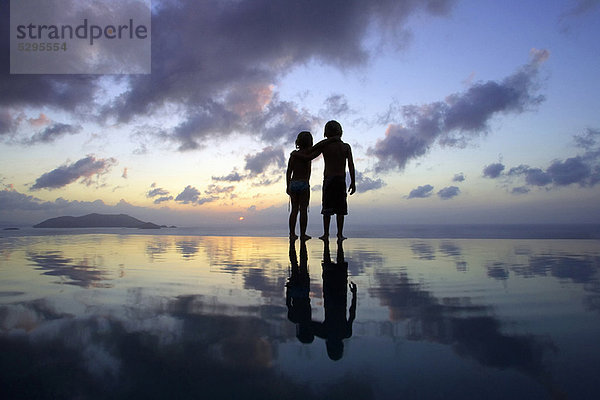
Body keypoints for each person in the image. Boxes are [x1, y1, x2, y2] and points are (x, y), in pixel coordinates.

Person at [286, 131, 339, 241]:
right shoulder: (308, 154)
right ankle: (303, 234)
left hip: (293, 183)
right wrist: (331, 140)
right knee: (303, 210)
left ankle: (292, 234)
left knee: (294, 209)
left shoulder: (294, 155)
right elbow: (316, 149)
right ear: (310, 142)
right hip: (304, 184)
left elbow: (288, 171)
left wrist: (288, 186)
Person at [319, 120, 355, 241]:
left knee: (328, 209)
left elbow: (350, 165)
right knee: (340, 209)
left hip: (329, 179)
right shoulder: (345, 147)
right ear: (340, 132)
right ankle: (339, 234)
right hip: (340, 180)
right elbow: (351, 165)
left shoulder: (326, 145)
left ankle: (326, 234)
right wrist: (353, 182)